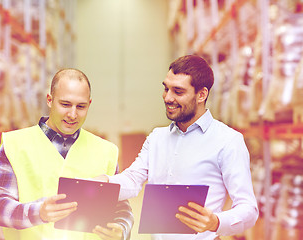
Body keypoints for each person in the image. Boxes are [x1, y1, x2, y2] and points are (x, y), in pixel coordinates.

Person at [96, 55, 258, 240]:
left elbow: (248, 209)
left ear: (201, 95)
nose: (168, 97)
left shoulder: (228, 141)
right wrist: (104, 183)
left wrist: (216, 222)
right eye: (166, 89)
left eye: (178, 91)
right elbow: (132, 180)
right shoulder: (157, 138)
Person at [0, 68, 134, 240]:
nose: (73, 114)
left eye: (81, 106)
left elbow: (122, 208)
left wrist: (121, 228)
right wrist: (39, 212)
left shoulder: (106, 151)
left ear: (89, 103)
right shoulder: (15, 145)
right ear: (50, 100)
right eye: (65, 104)